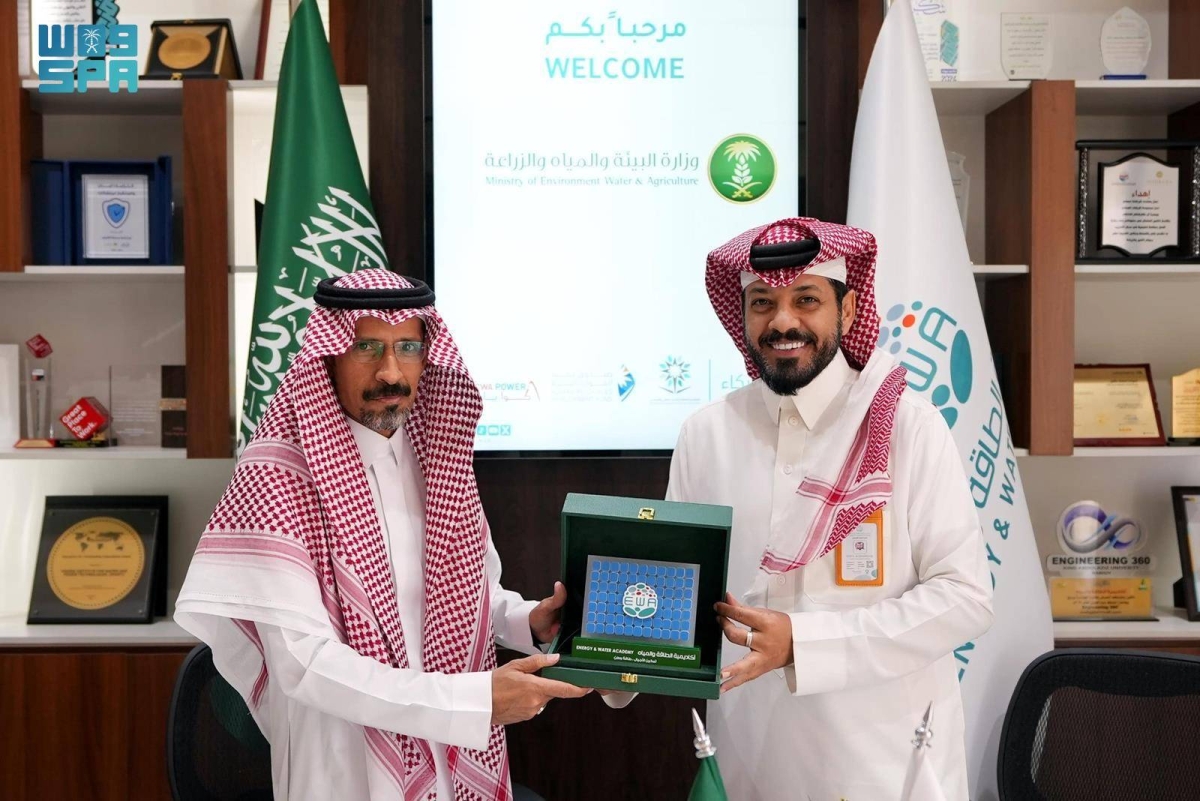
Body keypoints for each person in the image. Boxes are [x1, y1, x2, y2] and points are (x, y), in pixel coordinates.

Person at [610, 218, 993, 799]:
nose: (782, 321)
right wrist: (601, 650)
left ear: (848, 310)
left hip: (886, 763)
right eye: (762, 302)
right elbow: (676, 595)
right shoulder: (707, 434)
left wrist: (803, 644)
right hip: (751, 758)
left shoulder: (907, 428)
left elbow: (964, 599)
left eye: (806, 299)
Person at [176, 269, 589, 801]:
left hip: (455, 753)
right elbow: (305, 664)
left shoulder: (436, 459)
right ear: (329, 357)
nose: (390, 371)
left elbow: (462, 598)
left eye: (408, 348)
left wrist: (525, 621)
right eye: (366, 347)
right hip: (347, 765)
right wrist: (472, 701)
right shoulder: (278, 475)